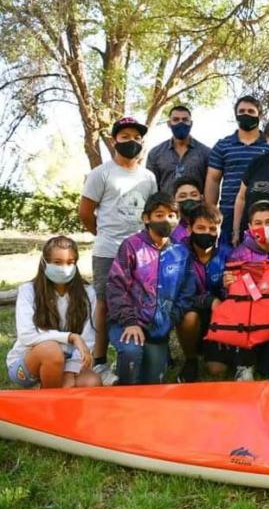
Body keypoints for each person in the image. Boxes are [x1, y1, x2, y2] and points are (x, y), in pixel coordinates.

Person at [79, 116, 158, 386]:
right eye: (125, 137)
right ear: (114, 141)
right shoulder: (101, 173)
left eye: (136, 137)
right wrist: (101, 234)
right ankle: (100, 360)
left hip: (139, 251)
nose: (131, 142)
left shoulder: (148, 177)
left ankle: (138, 347)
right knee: (103, 302)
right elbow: (85, 212)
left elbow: (152, 211)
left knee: (139, 298)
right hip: (108, 249)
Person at [106, 192, 196, 385]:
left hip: (159, 330)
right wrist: (129, 321)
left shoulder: (181, 253)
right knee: (132, 354)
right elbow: (116, 286)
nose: (166, 219)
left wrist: (173, 318)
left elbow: (187, 291)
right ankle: (122, 392)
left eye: (171, 215)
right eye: (159, 214)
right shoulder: (131, 246)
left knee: (153, 384)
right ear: (146, 218)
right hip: (127, 323)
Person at [7, 236, 101, 389]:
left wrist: (71, 370)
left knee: (92, 383)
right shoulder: (28, 291)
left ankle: (57, 393)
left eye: (70, 262)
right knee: (51, 350)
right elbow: (27, 336)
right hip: (27, 364)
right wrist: (70, 337)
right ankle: (47, 401)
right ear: (44, 262)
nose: (64, 268)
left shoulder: (87, 293)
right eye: (57, 262)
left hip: (68, 361)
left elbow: (88, 339)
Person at [220, 200, 269, 380]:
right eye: (258, 223)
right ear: (250, 226)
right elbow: (228, 297)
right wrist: (227, 285)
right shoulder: (238, 254)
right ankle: (244, 365)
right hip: (248, 317)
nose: (263, 227)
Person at [176, 204, 232, 382]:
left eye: (212, 229)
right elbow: (178, 296)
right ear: (189, 228)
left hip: (221, 316)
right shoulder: (177, 254)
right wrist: (209, 301)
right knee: (189, 317)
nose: (206, 233)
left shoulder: (228, 254)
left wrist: (228, 287)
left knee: (216, 370)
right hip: (191, 311)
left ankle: (216, 346)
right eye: (200, 228)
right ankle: (191, 358)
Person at [205, 96, 269, 245]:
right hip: (229, 212)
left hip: (263, 213)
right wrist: (210, 212)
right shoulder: (223, 145)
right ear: (236, 115)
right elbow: (213, 180)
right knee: (229, 260)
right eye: (241, 111)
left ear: (260, 115)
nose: (245, 114)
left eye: (251, 111)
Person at [146, 105, 211, 194]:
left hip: (195, 206)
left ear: (191, 123)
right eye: (176, 120)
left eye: (185, 120)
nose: (181, 123)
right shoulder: (155, 153)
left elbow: (211, 185)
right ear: (169, 124)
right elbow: (151, 187)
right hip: (166, 206)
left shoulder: (206, 153)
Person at [171, 176, 204, 243]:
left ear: (201, 198)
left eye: (194, 195)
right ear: (174, 199)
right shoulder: (170, 228)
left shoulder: (208, 224)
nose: (189, 199)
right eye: (182, 196)